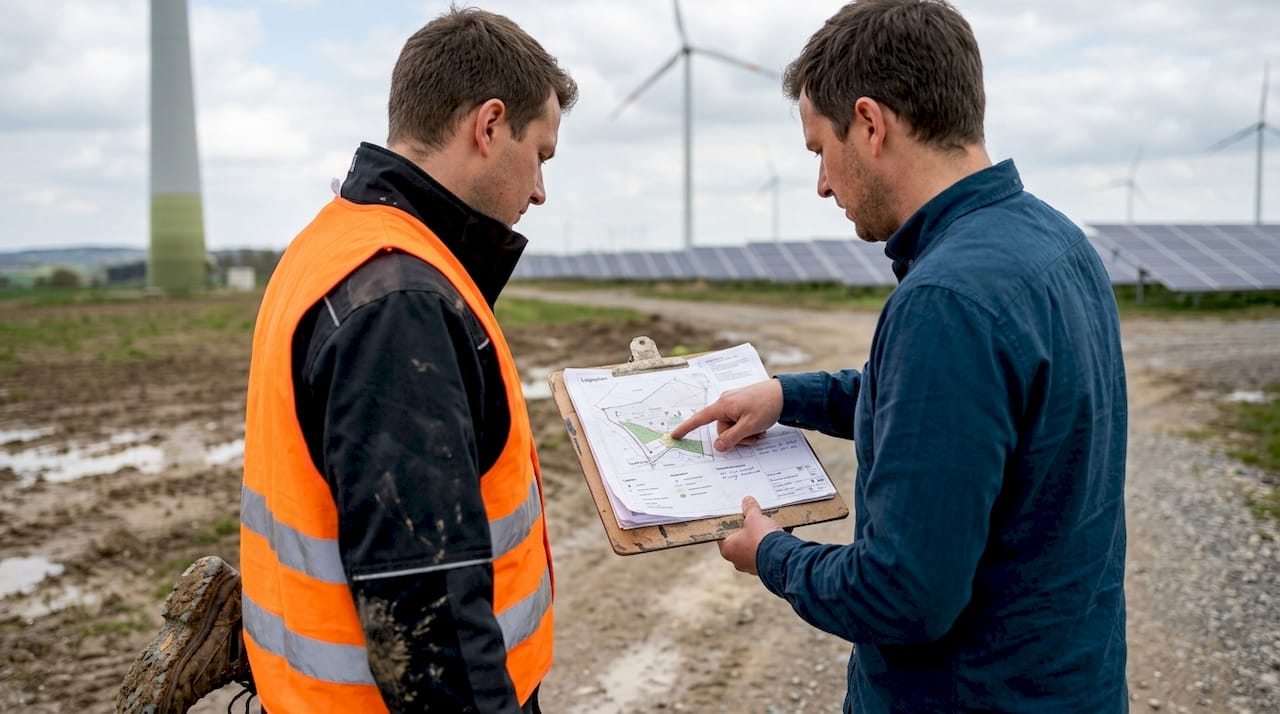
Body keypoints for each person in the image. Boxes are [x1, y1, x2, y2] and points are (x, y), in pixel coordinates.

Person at [671, 1, 1128, 711]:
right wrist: (790, 397)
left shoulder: (946, 298)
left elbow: (905, 596)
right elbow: (960, 418)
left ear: (871, 124)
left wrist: (771, 554)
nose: (822, 183)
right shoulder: (1057, 243)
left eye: (821, 149)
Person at [116, 7, 577, 713]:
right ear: (488, 126)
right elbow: (429, 620)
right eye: (541, 153)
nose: (541, 190)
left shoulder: (332, 243)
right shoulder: (402, 302)